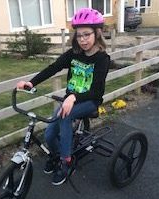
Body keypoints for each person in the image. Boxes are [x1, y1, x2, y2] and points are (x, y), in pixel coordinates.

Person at [16, 8, 110, 186]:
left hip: (90, 101)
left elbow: (97, 91)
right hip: (71, 100)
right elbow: (53, 67)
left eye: (87, 34)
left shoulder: (102, 59)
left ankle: (66, 161)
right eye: (79, 35)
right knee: (50, 134)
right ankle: (58, 154)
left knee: (65, 117)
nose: (82, 39)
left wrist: (73, 97)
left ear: (97, 33)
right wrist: (32, 82)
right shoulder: (74, 54)